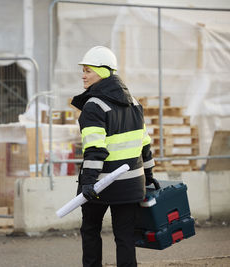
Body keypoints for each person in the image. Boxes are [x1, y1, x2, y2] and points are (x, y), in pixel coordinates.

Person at [71, 46, 155, 267]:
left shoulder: (93, 106)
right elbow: (144, 143)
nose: (83, 75)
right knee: (125, 237)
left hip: (100, 186)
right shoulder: (134, 102)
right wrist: (149, 173)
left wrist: (88, 181)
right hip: (131, 185)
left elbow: (95, 150)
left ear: (104, 72)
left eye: (88, 70)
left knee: (90, 231)